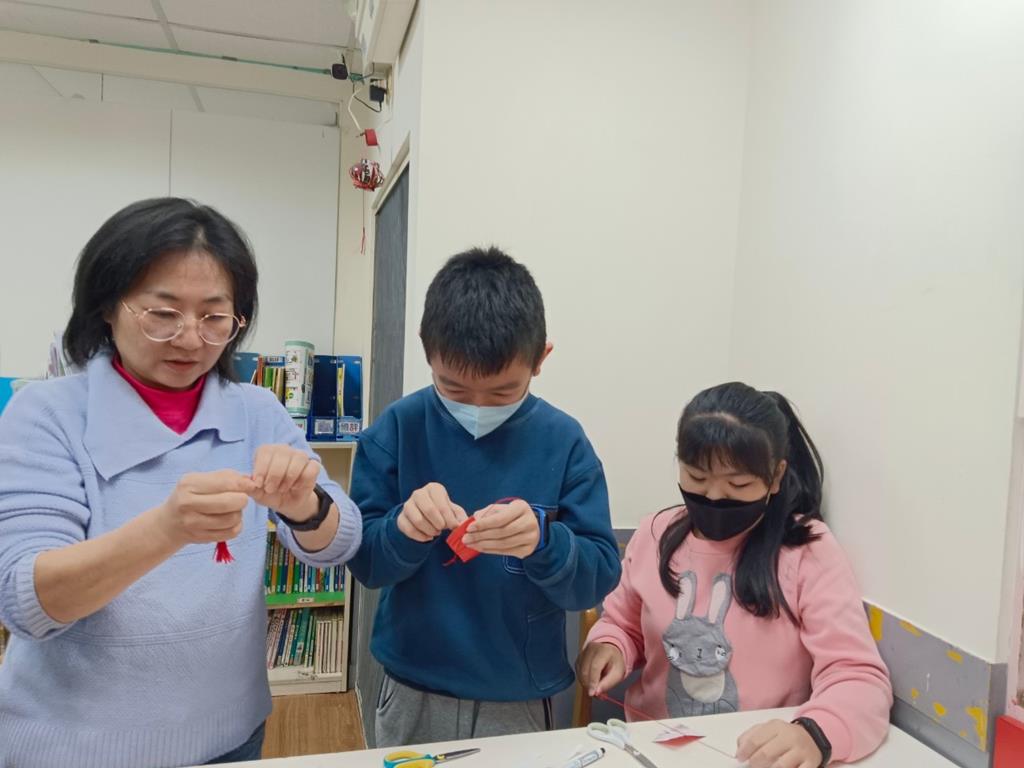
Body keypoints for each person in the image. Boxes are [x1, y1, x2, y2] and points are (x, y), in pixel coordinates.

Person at [0, 198, 362, 768]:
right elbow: (26, 602)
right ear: (107, 307)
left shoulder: (257, 409)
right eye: (162, 313)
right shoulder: (46, 414)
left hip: (230, 738)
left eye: (215, 318)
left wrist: (307, 507)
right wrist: (166, 530)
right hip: (73, 750)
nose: (191, 339)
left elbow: (340, 543)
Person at [348, 247, 621, 746]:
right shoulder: (397, 430)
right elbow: (366, 564)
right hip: (413, 684)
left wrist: (544, 543)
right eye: (452, 388)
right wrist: (402, 530)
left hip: (517, 693)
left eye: (501, 393)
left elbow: (596, 580)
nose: (477, 407)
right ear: (427, 350)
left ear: (541, 359)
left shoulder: (565, 443)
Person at [578, 382, 892, 768]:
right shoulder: (655, 534)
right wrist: (611, 646)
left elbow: (858, 676)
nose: (713, 496)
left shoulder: (806, 551)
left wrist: (814, 733)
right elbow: (623, 625)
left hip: (755, 759)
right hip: (651, 751)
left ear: (775, 476)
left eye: (738, 484)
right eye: (696, 477)